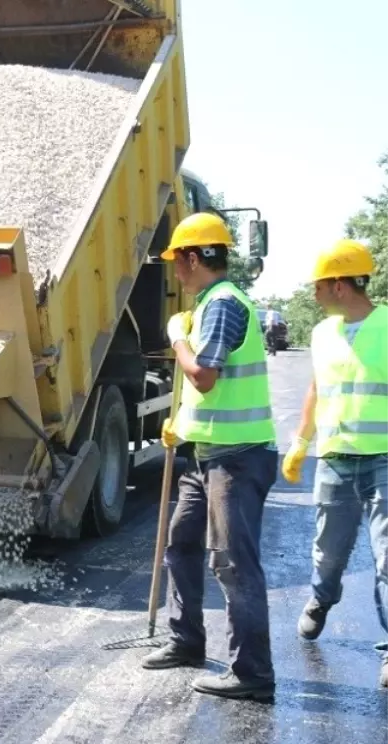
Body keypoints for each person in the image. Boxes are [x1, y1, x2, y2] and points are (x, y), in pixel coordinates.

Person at [141, 212, 279, 701]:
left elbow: (203, 376)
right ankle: (186, 641)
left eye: (178, 260)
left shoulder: (221, 304)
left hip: (236, 459)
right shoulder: (208, 305)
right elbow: (202, 396)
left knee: (233, 563)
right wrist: (181, 425)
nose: (175, 270)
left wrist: (177, 335)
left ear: (194, 258)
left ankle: (252, 674)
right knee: (180, 543)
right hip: (207, 454)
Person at [281, 239, 388, 690]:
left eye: (319, 286)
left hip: (384, 457)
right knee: (329, 550)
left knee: (387, 557)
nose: (314, 294)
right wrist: (301, 442)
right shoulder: (322, 333)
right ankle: (322, 599)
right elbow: (317, 390)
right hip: (336, 459)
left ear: (341, 285)